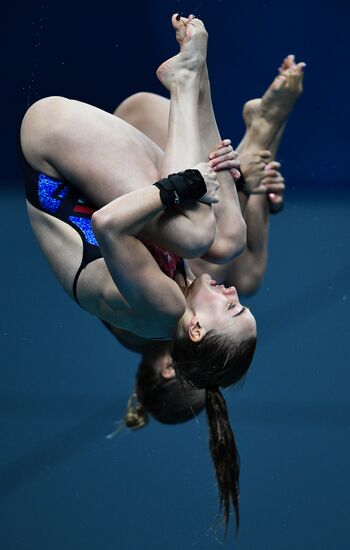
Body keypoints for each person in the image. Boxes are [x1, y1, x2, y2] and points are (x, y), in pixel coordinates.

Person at [19, 14, 259, 533]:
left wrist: (186, 184)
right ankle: (194, 81)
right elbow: (215, 210)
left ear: (196, 329)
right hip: (86, 171)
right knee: (227, 237)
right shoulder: (179, 299)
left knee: (197, 231)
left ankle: (187, 81)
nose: (235, 292)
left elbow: (108, 223)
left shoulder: (161, 310)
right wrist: (213, 174)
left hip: (50, 156)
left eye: (233, 309)